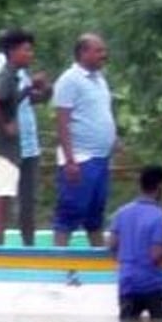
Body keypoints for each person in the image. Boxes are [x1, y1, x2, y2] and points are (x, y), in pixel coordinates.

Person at [0, 30, 52, 246]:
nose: (31, 54)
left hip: (23, 146)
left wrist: (34, 88)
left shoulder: (18, 74)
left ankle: (28, 251)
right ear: (12, 50)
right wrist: (6, 126)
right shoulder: (1, 73)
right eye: (26, 50)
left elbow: (17, 100)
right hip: (4, 148)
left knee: (26, 203)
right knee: (0, 200)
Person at [53, 33, 117, 247]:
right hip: (80, 158)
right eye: (98, 51)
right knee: (70, 211)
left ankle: (97, 258)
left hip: (101, 157)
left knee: (95, 213)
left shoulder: (99, 79)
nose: (103, 55)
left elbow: (99, 113)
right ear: (83, 53)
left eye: (103, 50)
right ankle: (58, 261)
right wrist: (70, 160)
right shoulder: (69, 80)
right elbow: (62, 121)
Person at [108, 165, 162, 320]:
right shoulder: (159, 217)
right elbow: (156, 255)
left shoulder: (121, 212)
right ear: (159, 187)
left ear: (140, 185)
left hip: (127, 283)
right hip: (151, 284)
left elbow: (112, 245)